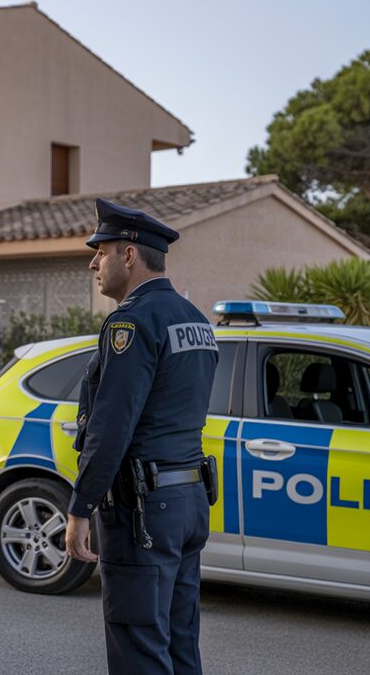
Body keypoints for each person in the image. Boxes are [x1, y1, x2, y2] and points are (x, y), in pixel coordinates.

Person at [64, 199, 219, 675]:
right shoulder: (195, 319)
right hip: (188, 502)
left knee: (138, 648)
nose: (94, 262)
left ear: (128, 256)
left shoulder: (131, 322)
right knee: (177, 644)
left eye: (102, 251)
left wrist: (79, 508)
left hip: (143, 512)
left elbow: (111, 426)